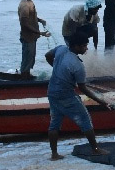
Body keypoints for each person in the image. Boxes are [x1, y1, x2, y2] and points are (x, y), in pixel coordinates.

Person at [45, 31, 110, 160]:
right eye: (84, 46)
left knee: (55, 123)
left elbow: (47, 55)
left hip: (52, 92)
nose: (86, 48)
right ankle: (95, 149)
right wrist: (100, 101)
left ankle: (54, 154)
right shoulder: (78, 66)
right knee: (85, 119)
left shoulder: (61, 49)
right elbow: (82, 88)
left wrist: (55, 69)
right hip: (66, 95)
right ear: (76, 46)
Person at [18, 0, 50, 80]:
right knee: (27, 60)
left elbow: (31, 17)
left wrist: (40, 20)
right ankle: (24, 79)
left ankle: (26, 76)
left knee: (30, 59)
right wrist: (40, 32)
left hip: (32, 37)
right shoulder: (24, 5)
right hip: (27, 37)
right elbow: (24, 24)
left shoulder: (30, 2)